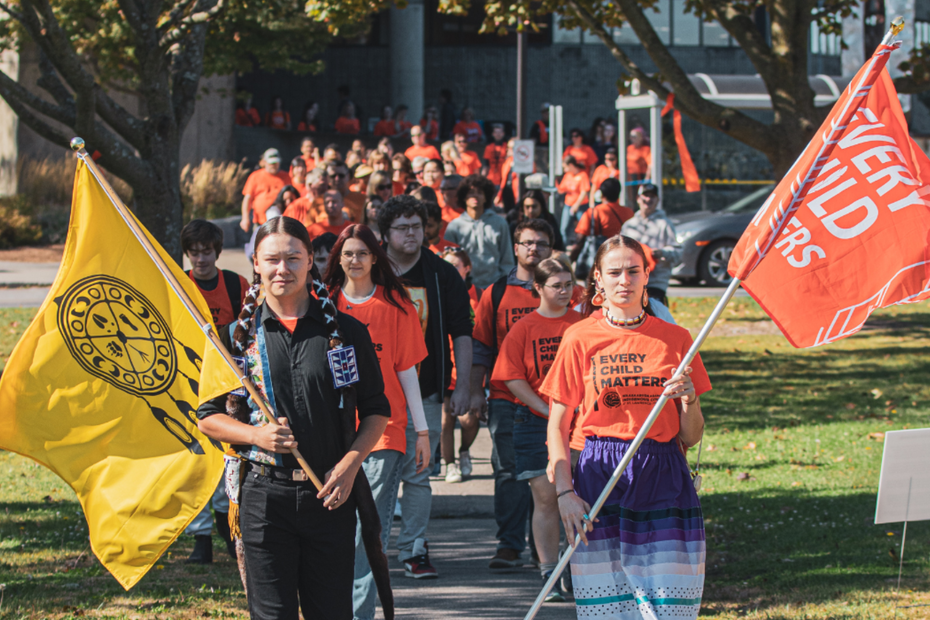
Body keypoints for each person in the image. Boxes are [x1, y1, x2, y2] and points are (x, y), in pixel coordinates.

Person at [196, 216, 391, 620]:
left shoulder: (345, 334)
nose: (282, 269)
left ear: (310, 261)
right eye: (272, 259)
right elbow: (208, 418)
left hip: (330, 495)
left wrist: (351, 465)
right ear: (256, 263)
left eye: (293, 258)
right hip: (264, 500)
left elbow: (376, 409)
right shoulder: (232, 339)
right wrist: (256, 436)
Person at [540, 235, 710, 620]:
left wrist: (690, 400)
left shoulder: (677, 340)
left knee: (668, 607)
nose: (624, 281)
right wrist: (564, 492)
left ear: (647, 275)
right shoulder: (579, 337)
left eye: (633, 271)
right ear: (598, 279)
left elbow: (692, 436)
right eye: (614, 272)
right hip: (599, 472)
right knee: (609, 607)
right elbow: (558, 424)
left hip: (663, 471)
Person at [322, 225, 431, 617]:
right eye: (347, 254)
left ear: (374, 258)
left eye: (362, 253)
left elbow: (407, 373)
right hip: (331, 434)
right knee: (332, 532)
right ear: (338, 260)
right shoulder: (322, 305)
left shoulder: (397, 306)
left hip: (384, 433)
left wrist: (422, 431)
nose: (355, 260)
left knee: (365, 533)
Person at [378, 195, 474, 578]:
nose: (411, 234)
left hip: (427, 390)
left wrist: (462, 385)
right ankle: (372, 550)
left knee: (418, 474)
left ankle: (414, 548)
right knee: (378, 474)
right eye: (402, 228)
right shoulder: (370, 267)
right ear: (385, 233)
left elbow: (462, 330)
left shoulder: (441, 273)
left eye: (417, 227)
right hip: (376, 397)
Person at [491, 257, 582, 601]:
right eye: (557, 286)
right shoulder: (524, 327)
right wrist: (545, 408)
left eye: (569, 284)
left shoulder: (582, 325)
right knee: (545, 497)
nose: (565, 291)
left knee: (575, 495)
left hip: (578, 422)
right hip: (533, 421)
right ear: (538, 288)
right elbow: (511, 376)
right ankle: (549, 572)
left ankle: (573, 567)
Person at [468, 218, 555, 568]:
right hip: (507, 398)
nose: (534, 248)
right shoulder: (497, 293)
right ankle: (509, 544)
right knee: (508, 471)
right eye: (527, 243)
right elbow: (481, 346)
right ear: (516, 248)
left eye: (541, 243)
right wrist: (475, 391)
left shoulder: (565, 292)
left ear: (551, 249)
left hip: (554, 401)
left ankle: (542, 549)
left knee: (548, 472)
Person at [180, 219, 248, 565]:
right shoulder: (179, 286)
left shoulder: (236, 285)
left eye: (206, 251)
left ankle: (226, 520)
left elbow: (248, 332)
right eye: (194, 253)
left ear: (217, 252)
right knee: (194, 458)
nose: (201, 259)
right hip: (188, 384)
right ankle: (200, 536)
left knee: (226, 454)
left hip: (226, 386)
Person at [438, 247, 481, 483]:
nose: (451, 270)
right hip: (444, 365)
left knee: (469, 419)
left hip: (469, 366)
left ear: (467, 269)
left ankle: (464, 451)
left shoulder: (480, 295)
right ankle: (450, 465)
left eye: (455, 266)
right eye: (447, 266)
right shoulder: (437, 292)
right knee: (446, 420)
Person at [444, 175, 514, 288]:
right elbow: (448, 261)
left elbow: (507, 259)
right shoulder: (454, 226)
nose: (475, 196)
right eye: (471, 192)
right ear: (464, 197)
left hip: (494, 286)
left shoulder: (500, 223)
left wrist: (505, 284)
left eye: (480, 192)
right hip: (464, 287)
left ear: (486, 197)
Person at [621, 183, 682, 306]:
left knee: (655, 316)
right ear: (638, 199)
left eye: (652, 196)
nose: (648, 199)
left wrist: (662, 253)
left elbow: (678, 254)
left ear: (657, 200)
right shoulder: (629, 226)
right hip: (632, 283)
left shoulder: (665, 224)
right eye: (645, 195)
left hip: (655, 283)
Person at [573, 178, 634, 256]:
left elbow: (580, 239)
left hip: (604, 256)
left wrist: (571, 258)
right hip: (625, 255)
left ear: (601, 194)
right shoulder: (629, 212)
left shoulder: (593, 212)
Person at [241, 148, 292, 232]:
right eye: (271, 163)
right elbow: (247, 198)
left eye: (276, 163)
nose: (273, 165)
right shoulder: (255, 176)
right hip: (261, 222)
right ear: (265, 162)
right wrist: (245, 218)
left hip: (281, 223)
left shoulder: (286, 177)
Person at [556, 156, 591, 250]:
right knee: (564, 228)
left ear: (571, 165)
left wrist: (576, 205)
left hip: (581, 206)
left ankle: (583, 248)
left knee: (583, 229)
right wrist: (556, 180)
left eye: (565, 167)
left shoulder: (582, 175)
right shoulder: (567, 175)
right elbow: (561, 190)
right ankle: (564, 247)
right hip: (568, 205)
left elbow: (584, 192)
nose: (564, 170)